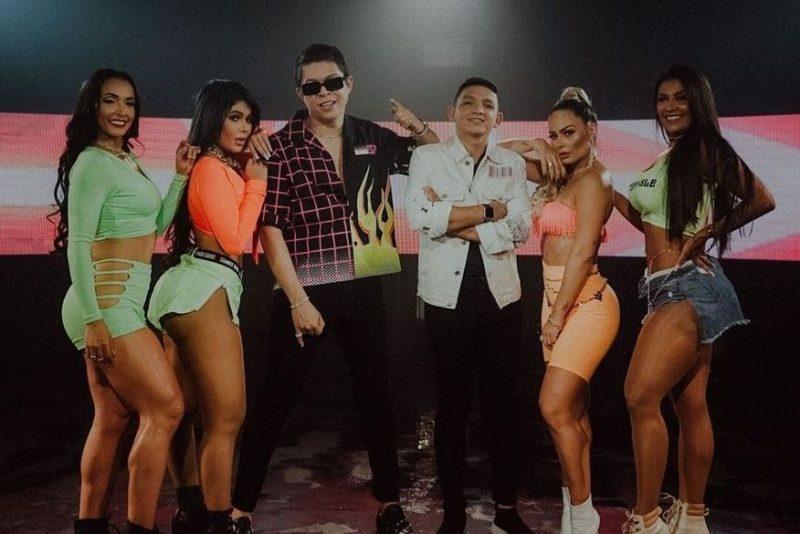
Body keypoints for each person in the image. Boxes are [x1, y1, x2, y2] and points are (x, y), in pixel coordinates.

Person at [231, 43, 438, 534]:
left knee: (377, 400)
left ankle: (389, 505)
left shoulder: (372, 136)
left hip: (364, 282)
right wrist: (298, 300)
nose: (324, 93)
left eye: (333, 82)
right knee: (275, 401)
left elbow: (435, 161)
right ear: (299, 93)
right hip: (306, 287)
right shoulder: (279, 146)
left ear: (349, 83)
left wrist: (418, 127)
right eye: (312, 86)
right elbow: (270, 231)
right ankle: (239, 511)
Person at [614, 65, 775, 533]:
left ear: (697, 102)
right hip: (662, 287)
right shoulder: (668, 158)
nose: (669, 106)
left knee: (640, 395)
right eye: (662, 98)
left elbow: (761, 198)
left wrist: (706, 233)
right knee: (689, 404)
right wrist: (608, 194)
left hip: (689, 286)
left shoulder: (705, 146)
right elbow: (648, 224)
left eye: (680, 97)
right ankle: (692, 520)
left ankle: (646, 521)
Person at [55, 68, 195, 534]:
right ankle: (140, 527)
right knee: (167, 408)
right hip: (106, 303)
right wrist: (94, 318)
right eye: (110, 100)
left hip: (117, 302)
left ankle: (90, 527)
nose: (121, 111)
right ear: (92, 106)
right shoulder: (92, 163)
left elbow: (153, 228)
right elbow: (78, 244)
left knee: (112, 418)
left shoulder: (124, 159)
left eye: (129, 102)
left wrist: (179, 178)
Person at [405, 77, 534, 534]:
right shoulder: (427, 157)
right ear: (452, 112)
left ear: (499, 117)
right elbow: (419, 216)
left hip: (501, 299)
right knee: (452, 408)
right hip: (446, 300)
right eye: (469, 103)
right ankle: (454, 512)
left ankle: (506, 510)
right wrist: (489, 210)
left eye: (488, 105)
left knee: (502, 409)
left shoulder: (512, 164)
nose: (479, 110)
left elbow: (520, 229)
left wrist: (451, 217)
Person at [147, 80, 268, 534]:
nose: (244, 126)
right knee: (227, 417)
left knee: (184, 411)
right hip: (203, 289)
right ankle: (218, 522)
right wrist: (257, 185)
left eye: (249, 119)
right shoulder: (212, 169)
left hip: (191, 290)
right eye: (234, 117)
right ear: (213, 118)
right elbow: (234, 240)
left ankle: (191, 511)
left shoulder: (216, 166)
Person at [500, 88, 619, 534]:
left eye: (569, 133)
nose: (561, 142)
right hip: (556, 302)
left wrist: (556, 317)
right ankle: (574, 515)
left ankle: (585, 515)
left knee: (552, 406)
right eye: (554, 135)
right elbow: (498, 156)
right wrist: (534, 145)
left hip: (585, 304)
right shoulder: (561, 175)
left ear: (592, 130)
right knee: (573, 416)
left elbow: (584, 251)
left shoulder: (595, 181)